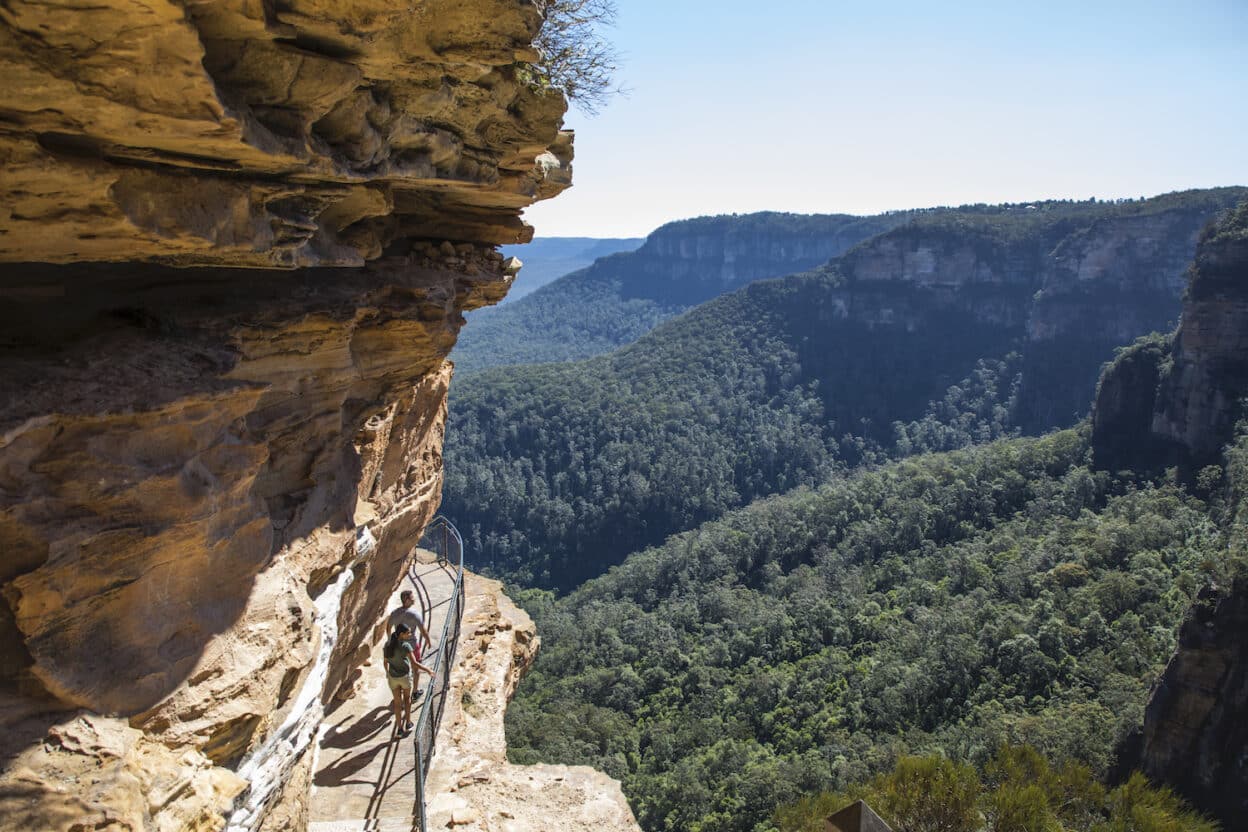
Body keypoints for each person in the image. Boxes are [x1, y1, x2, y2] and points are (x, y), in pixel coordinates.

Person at [383, 623, 433, 734]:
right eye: (408, 633)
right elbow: (414, 663)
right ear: (401, 634)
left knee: (397, 703)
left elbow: (385, 662)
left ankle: (399, 729)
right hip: (404, 677)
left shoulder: (387, 646)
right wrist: (428, 670)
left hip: (393, 678)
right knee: (407, 699)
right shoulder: (405, 646)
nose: (410, 634)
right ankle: (408, 722)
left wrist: (387, 673)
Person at [387, 589, 432, 655]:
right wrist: (428, 642)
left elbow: (388, 628)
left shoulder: (394, 613)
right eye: (412, 597)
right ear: (407, 600)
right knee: (416, 662)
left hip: (399, 646)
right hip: (412, 646)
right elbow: (423, 631)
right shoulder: (415, 614)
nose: (414, 599)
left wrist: (390, 640)